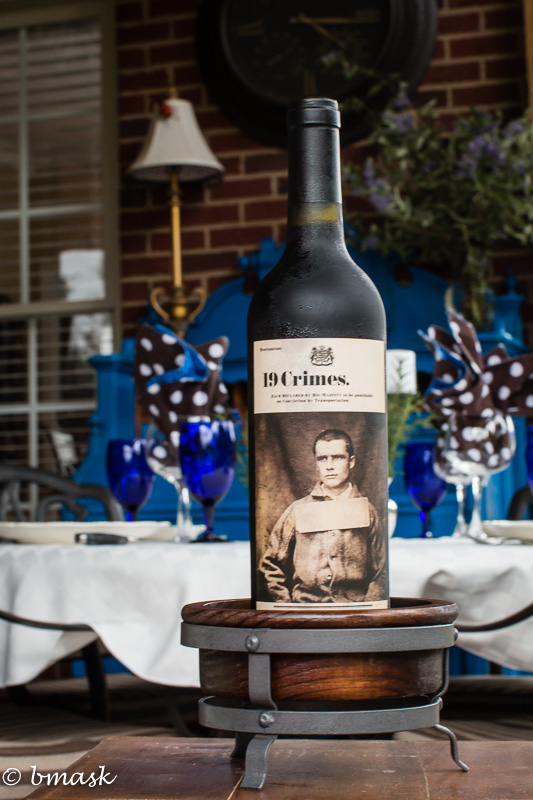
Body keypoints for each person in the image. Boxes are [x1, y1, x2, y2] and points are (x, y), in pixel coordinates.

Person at [259, 428, 387, 605]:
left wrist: (366, 608)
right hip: (305, 609)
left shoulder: (367, 511)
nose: (329, 466)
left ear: (351, 461)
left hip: (354, 610)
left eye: (338, 457)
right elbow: (271, 565)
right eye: (322, 459)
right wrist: (286, 606)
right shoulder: (297, 510)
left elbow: (382, 571)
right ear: (316, 463)